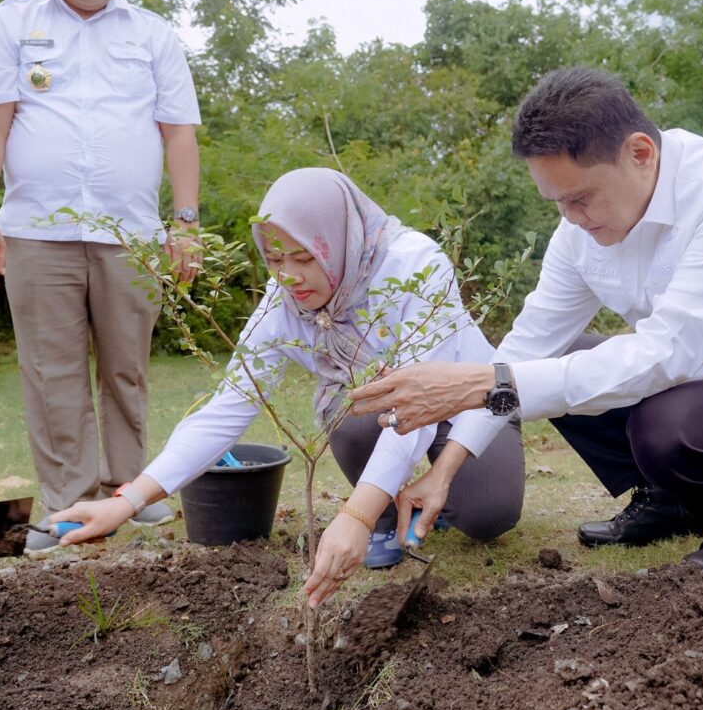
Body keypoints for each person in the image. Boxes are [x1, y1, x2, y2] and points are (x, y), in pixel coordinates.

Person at [351, 66, 703, 578]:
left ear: (641, 153)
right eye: (557, 203)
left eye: (582, 198)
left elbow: (670, 352)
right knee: (557, 363)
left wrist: (484, 382)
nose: (572, 218)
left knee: (668, 426)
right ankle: (676, 499)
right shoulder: (578, 234)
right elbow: (526, 351)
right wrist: (446, 467)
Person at [51, 168, 525, 606]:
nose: (288, 275)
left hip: (469, 403)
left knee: (489, 516)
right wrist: (126, 502)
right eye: (275, 258)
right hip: (381, 414)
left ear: (339, 242)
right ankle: (381, 514)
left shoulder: (414, 266)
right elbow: (227, 408)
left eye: (304, 257)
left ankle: (386, 505)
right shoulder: (283, 304)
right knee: (357, 409)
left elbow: (416, 403)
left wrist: (350, 516)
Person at [0, 0, 203, 553]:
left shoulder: (152, 34)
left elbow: (179, 136)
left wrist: (185, 224)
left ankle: (129, 490)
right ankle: (69, 504)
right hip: (36, 234)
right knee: (52, 372)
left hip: (133, 235)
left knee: (127, 368)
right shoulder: (12, 26)